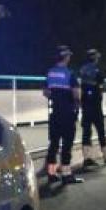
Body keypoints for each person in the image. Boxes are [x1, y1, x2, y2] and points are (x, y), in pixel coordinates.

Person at [43, 45, 83, 185]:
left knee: (53, 143)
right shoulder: (69, 73)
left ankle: (51, 174)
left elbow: (45, 92)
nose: (70, 58)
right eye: (69, 56)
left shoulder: (50, 72)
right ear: (65, 57)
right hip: (67, 112)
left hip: (54, 112)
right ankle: (66, 174)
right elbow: (76, 94)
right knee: (67, 143)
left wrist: (55, 97)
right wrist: (77, 106)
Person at [78, 48, 106, 168]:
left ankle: (87, 158)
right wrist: (100, 88)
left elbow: (81, 86)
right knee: (101, 130)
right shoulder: (97, 71)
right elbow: (105, 87)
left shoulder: (82, 70)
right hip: (95, 104)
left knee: (86, 131)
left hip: (85, 104)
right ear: (95, 58)